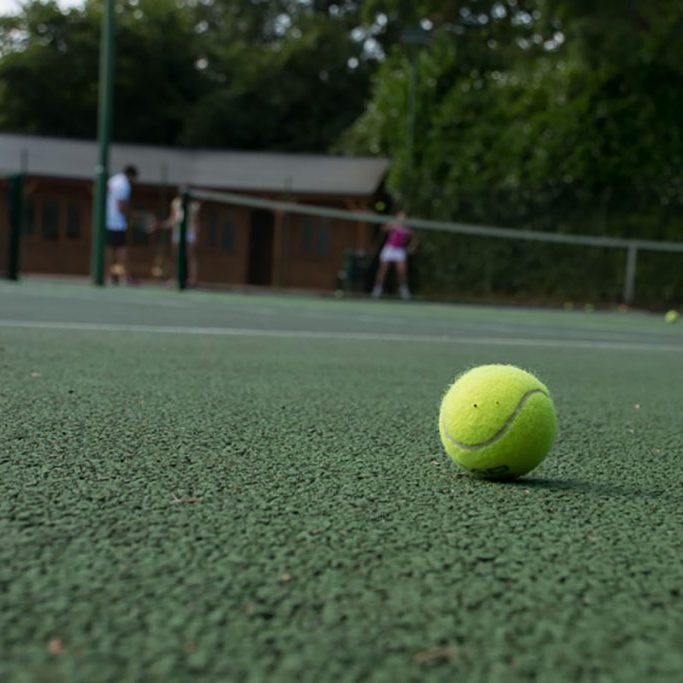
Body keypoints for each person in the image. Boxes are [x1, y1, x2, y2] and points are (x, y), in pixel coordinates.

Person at [371, 210, 418, 300]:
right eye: (400, 216)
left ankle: (404, 291)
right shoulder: (393, 224)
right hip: (389, 248)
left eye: (403, 217)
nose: (402, 218)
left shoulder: (408, 229)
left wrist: (411, 247)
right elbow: (383, 228)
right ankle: (377, 290)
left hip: (399, 250)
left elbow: (414, 239)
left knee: (402, 272)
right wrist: (391, 226)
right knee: (382, 271)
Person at [106, 164, 138, 284]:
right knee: (121, 250)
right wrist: (133, 215)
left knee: (109, 249)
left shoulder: (113, 180)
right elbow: (121, 206)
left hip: (107, 221)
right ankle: (125, 277)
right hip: (116, 223)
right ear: (131, 175)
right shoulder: (123, 184)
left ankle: (108, 275)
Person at [160, 194, 201, 287]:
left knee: (191, 257)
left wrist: (196, 236)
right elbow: (172, 219)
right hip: (177, 232)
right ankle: (174, 279)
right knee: (175, 257)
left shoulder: (195, 205)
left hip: (190, 233)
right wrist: (163, 225)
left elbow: (197, 222)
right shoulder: (175, 203)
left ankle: (192, 280)